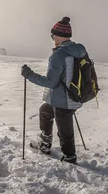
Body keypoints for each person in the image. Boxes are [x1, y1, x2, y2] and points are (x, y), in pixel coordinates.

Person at [21, 16, 87, 164]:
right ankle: (45, 144)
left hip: (64, 100)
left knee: (64, 129)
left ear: (58, 36)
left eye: (53, 35)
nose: (52, 38)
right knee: (45, 109)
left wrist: (29, 75)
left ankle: (69, 157)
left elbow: (50, 82)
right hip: (76, 95)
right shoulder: (79, 51)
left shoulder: (58, 55)